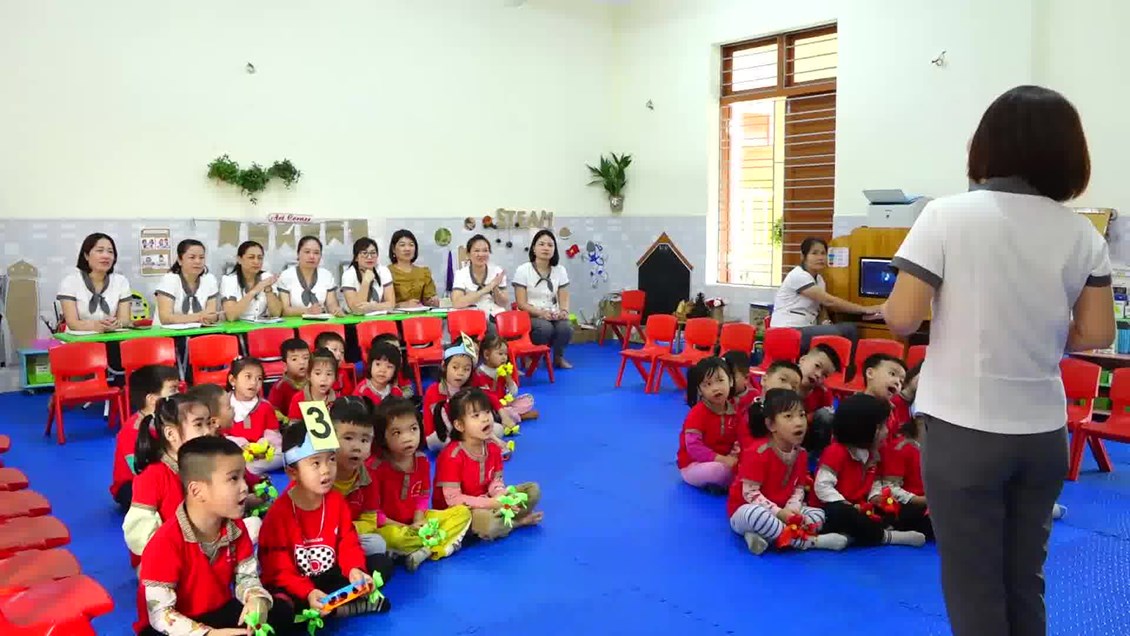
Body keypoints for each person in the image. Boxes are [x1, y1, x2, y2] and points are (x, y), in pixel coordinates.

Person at [883, 85, 1114, 636]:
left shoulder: (945, 216)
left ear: (987, 145)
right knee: (1024, 580)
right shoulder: (1082, 233)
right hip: (1043, 432)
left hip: (963, 429)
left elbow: (902, 318)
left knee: (974, 587)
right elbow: (1098, 332)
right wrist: (1038, 326)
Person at [135, 436, 293, 636]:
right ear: (197, 490)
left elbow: (247, 577)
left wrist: (255, 599)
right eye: (233, 478)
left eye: (243, 476)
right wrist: (208, 634)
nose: (245, 487)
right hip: (172, 626)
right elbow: (161, 615)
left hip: (218, 611)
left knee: (280, 612)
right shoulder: (164, 543)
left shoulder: (235, 527)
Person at [258, 422, 390, 617]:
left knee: (381, 564)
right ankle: (344, 607)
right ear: (293, 472)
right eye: (316, 463)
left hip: (328, 577)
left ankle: (333, 609)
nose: (326, 470)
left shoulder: (336, 502)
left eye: (332, 459)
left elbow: (348, 542)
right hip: (296, 584)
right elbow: (278, 570)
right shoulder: (278, 515)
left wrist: (354, 569)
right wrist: (307, 592)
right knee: (280, 611)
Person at [727, 388, 846, 555]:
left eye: (802, 415)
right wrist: (779, 513)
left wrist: (793, 510)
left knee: (818, 514)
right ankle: (811, 542)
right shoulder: (757, 452)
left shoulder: (801, 453)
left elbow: (799, 488)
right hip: (747, 509)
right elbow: (750, 494)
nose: (799, 422)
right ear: (771, 425)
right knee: (756, 515)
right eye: (788, 416)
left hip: (783, 510)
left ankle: (768, 534)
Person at [811, 394, 926, 549]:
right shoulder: (836, 452)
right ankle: (887, 536)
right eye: (882, 426)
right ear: (866, 428)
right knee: (842, 514)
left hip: (861, 506)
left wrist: (876, 497)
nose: (887, 431)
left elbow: (874, 483)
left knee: (901, 509)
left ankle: (860, 533)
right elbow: (822, 487)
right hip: (834, 508)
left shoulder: (872, 455)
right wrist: (845, 504)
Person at [371, 396, 471, 570]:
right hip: (392, 527)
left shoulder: (422, 460)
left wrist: (419, 520)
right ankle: (432, 544)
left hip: (417, 523)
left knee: (462, 513)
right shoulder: (375, 468)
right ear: (382, 437)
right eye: (397, 433)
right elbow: (374, 514)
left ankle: (426, 550)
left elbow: (423, 496)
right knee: (391, 538)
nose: (408, 438)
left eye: (413, 429)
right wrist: (406, 527)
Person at [433, 388, 543, 540]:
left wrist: (501, 495)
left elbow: (496, 481)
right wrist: (493, 503)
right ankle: (517, 522)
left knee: (532, 490)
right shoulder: (451, 456)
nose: (485, 419)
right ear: (459, 425)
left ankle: (503, 519)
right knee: (490, 525)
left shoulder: (493, 448)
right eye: (476, 416)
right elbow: (453, 500)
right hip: (460, 512)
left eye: (487, 412)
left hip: (488, 501)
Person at [123, 395, 216, 566]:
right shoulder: (152, 475)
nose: (208, 431)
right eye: (198, 425)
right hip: (166, 558)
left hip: (201, 546)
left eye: (209, 423)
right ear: (171, 434)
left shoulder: (205, 464)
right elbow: (139, 535)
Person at [769, 237, 883, 350]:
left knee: (845, 329)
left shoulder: (819, 280)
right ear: (803, 256)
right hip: (787, 332)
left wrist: (826, 322)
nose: (820, 257)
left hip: (804, 328)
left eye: (823, 253)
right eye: (814, 253)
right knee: (847, 330)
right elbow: (829, 301)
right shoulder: (798, 276)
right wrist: (865, 309)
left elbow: (821, 308)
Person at [328, 397, 396, 580]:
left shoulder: (368, 478)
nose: (357, 447)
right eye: (348, 438)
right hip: (316, 539)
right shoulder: (320, 474)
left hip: (348, 538)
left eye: (365, 440)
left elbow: (369, 520)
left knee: (377, 543)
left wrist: (345, 532)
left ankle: (347, 571)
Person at [111, 365, 180, 512]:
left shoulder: (168, 419)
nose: (178, 394)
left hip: (163, 473)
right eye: (173, 390)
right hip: (132, 483)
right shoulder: (131, 431)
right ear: (152, 399)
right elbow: (138, 470)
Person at [423, 337, 506, 453]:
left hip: (465, 430)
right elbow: (430, 431)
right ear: (444, 366)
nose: (460, 373)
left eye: (466, 369)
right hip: (443, 434)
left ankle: (468, 444)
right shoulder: (432, 391)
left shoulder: (469, 389)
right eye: (455, 367)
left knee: (498, 429)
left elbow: (485, 403)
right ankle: (471, 444)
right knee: (435, 440)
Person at [513, 229, 574, 369]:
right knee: (545, 328)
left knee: (566, 327)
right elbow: (521, 303)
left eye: (550, 245)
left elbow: (564, 296)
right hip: (530, 314)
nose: (546, 248)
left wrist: (564, 311)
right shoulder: (523, 270)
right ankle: (531, 357)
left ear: (554, 249)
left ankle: (558, 357)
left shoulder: (560, 270)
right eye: (541, 244)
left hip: (553, 313)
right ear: (534, 248)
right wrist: (541, 313)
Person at [676, 357, 739, 490]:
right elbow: (694, 447)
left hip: (727, 461)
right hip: (695, 464)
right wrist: (722, 459)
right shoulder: (697, 413)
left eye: (720, 380)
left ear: (731, 381)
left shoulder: (736, 410)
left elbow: (740, 438)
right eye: (707, 384)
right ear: (700, 390)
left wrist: (735, 455)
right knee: (718, 471)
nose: (715, 388)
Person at [57, 232, 134, 332]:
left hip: (112, 337)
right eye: (100, 251)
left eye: (110, 252)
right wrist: (95, 326)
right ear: (86, 255)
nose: (106, 256)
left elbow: (124, 319)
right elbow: (73, 323)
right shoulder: (70, 282)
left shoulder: (121, 281)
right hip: (79, 339)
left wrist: (117, 323)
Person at [225, 358, 283, 475]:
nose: (253, 383)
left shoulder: (265, 406)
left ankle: (248, 470)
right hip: (234, 452)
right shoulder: (224, 404)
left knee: (285, 455)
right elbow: (220, 435)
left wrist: (264, 446)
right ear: (232, 380)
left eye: (259, 379)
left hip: (260, 455)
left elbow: (274, 434)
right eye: (248, 377)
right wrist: (241, 445)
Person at [738, 360, 801, 452]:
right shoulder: (745, 409)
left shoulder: (794, 421)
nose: (788, 387)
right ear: (764, 380)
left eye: (794, 387)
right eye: (783, 380)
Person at [475, 333, 538, 424]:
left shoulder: (504, 370)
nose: (504, 358)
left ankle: (513, 414)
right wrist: (496, 379)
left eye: (506, 354)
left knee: (528, 399)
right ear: (486, 355)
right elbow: (487, 397)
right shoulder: (480, 372)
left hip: (505, 403)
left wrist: (509, 380)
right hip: (491, 407)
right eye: (500, 354)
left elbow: (514, 393)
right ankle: (520, 416)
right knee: (494, 412)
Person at [451, 234, 509, 332]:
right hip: (470, 318)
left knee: (504, 327)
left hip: (494, 315)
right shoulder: (461, 274)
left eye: (485, 250)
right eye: (477, 251)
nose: (481, 254)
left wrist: (495, 288)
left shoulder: (497, 271)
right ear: (468, 254)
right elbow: (457, 303)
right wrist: (487, 288)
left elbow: (503, 303)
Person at [155, 239, 220, 326]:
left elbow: (212, 315)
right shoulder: (169, 280)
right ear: (180, 260)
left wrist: (212, 317)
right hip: (168, 332)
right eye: (192, 257)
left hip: (200, 331)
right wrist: (199, 316)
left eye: (201, 257)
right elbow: (166, 318)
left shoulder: (209, 279)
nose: (198, 261)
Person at [277, 236, 344, 316]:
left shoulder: (326, 275)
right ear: (298, 254)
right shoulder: (286, 275)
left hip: (320, 321)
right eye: (307, 252)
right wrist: (307, 311)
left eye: (316, 253)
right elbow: (284, 310)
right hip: (294, 322)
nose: (312, 256)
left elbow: (331, 304)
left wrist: (335, 310)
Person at [221, 240, 282, 322]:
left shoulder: (266, 277)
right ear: (239, 259)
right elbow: (231, 316)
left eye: (260, 258)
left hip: (262, 326)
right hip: (239, 328)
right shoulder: (229, 280)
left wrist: (268, 289)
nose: (256, 262)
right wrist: (257, 288)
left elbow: (276, 313)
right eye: (251, 257)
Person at [858, 353, 908, 442]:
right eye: (892, 374)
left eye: (901, 381)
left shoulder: (892, 410)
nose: (897, 382)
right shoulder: (854, 407)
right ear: (870, 373)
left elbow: (894, 438)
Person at [340, 237, 395, 314]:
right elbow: (357, 310)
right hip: (354, 319)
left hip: (379, 318)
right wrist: (366, 281)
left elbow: (391, 304)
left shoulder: (383, 271)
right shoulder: (348, 275)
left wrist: (372, 306)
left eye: (373, 253)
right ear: (356, 258)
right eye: (364, 253)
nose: (369, 257)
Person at [388, 229, 439, 307]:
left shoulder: (423, 272)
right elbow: (381, 303)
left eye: (411, 245)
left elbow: (427, 301)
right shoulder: (386, 272)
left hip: (419, 314)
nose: (407, 249)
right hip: (394, 314)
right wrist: (402, 305)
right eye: (402, 245)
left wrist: (432, 302)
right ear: (393, 249)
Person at [286, 348, 338, 422]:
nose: (323, 379)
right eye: (318, 373)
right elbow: (293, 426)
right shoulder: (298, 399)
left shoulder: (338, 400)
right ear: (308, 375)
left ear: (335, 377)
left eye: (329, 374)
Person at [354, 341, 404, 411]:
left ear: (395, 371)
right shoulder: (361, 392)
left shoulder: (396, 391)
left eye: (389, 367)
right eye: (378, 364)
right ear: (370, 365)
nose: (382, 370)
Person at [267, 339, 310, 420]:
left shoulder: (315, 381)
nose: (302, 362)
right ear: (285, 365)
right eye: (294, 359)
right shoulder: (280, 386)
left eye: (306, 358)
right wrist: (285, 420)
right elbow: (272, 410)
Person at [314, 331, 354, 396]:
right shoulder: (313, 373)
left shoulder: (343, 373)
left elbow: (349, 394)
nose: (339, 354)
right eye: (334, 350)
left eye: (342, 352)